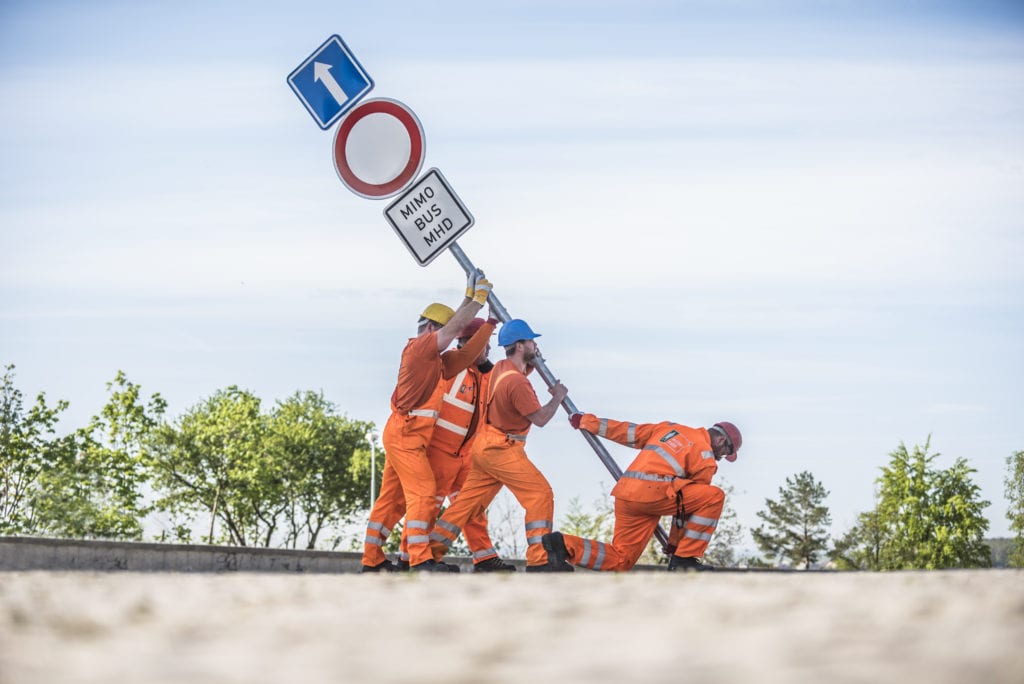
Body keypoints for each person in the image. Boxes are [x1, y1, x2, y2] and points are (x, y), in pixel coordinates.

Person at [360, 270, 495, 573]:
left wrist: (486, 321)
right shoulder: (420, 349)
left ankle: (372, 561)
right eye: (445, 331)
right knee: (423, 492)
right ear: (432, 328)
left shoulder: (435, 361)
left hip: (405, 436)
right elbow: (454, 332)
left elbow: (465, 355)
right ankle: (420, 560)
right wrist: (477, 301)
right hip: (406, 436)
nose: (449, 338)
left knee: (392, 500)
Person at [428, 318, 573, 572]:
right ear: (519, 346)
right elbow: (540, 419)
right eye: (530, 341)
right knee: (540, 494)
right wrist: (558, 398)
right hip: (502, 449)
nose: (534, 345)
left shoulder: (502, 369)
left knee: (465, 506)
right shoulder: (516, 383)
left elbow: (518, 373)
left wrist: (533, 361)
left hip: (484, 446)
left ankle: (427, 553)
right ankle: (540, 560)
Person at [542, 415, 743, 572]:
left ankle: (563, 545)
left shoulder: (671, 429)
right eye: (726, 452)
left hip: (627, 494)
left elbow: (629, 432)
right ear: (720, 439)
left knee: (621, 560)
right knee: (714, 496)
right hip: (655, 495)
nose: (722, 458)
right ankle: (686, 560)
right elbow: (686, 511)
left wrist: (587, 421)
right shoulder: (705, 457)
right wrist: (677, 549)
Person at [394, 317, 517, 572]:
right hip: (440, 452)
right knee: (426, 505)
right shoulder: (450, 367)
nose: (489, 350)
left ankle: (484, 557)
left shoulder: (481, 373)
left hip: (465, 455)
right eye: (485, 345)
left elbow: (504, 383)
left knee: (470, 507)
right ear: (472, 344)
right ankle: (409, 559)